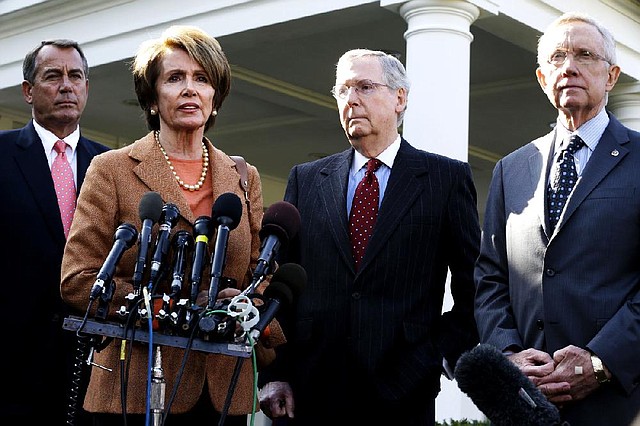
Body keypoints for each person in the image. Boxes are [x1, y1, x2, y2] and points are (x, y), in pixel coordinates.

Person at [60, 25, 285, 425]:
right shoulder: (111, 169)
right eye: (175, 78)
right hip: (134, 389)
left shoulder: (243, 176)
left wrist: (243, 302)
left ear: (215, 97)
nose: (189, 89)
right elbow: (79, 279)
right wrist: (172, 308)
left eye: (202, 79)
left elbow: (258, 275)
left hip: (222, 392)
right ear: (152, 96)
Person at [257, 48, 481, 426]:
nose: (352, 99)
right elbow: (281, 288)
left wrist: (439, 354)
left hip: (404, 388)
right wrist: (275, 371)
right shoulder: (307, 179)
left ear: (400, 98)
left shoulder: (445, 179)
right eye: (343, 90)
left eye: (364, 86)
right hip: (311, 389)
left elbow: (473, 281)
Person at [474, 11, 640, 425]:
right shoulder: (511, 169)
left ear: (612, 76)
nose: (569, 67)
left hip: (620, 401)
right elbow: (490, 277)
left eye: (585, 55)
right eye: (557, 58)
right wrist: (509, 353)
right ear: (542, 78)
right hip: (526, 403)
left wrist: (602, 362)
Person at [0, 39, 109, 424]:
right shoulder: (2, 154)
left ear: (86, 88)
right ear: (28, 91)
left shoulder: (111, 167)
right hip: (11, 367)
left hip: (93, 363)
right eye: (53, 76)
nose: (67, 85)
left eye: (75, 76)